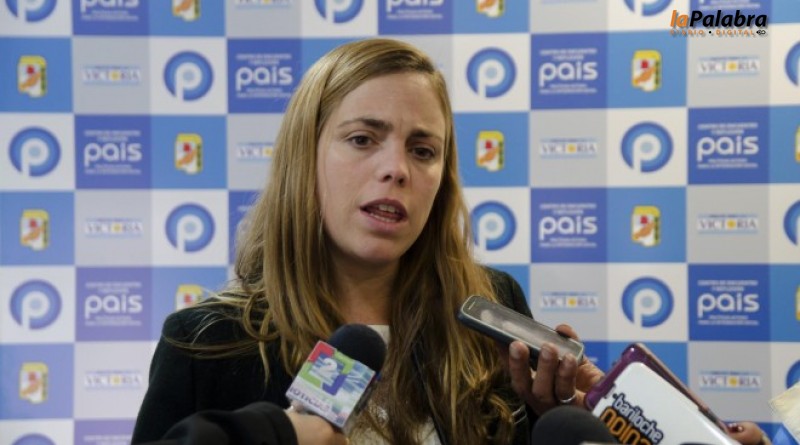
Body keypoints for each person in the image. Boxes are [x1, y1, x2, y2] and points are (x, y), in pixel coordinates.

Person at [132, 37, 537, 445]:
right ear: (304, 156)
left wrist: (556, 413)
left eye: (422, 150)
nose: (397, 169)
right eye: (362, 139)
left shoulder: (492, 309)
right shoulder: (205, 342)